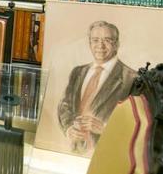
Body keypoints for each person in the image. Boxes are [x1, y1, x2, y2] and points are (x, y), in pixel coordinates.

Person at [57, 20, 136, 153]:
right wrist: (69, 128)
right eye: (95, 40)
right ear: (89, 43)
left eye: (107, 40)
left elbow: (136, 122)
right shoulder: (78, 72)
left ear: (117, 44)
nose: (100, 45)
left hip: (106, 155)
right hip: (71, 151)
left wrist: (105, 129)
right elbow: (65, 105)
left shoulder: (132, 78)